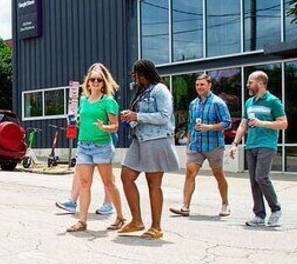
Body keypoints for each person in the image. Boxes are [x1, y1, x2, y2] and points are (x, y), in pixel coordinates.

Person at [116, 59, 179, 239]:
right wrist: (131, 118)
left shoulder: (160, 90)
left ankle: (156, 227)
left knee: (153, 183)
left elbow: (164, 117)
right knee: (126, 176)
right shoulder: (143, 92)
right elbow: (143, 117)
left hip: (157, 139)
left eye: (135, 74)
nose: (134, 78)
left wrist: (138, 115)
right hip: (140, 138)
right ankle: (137, 221)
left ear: (143, 73)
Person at [66, 63, 125, 232]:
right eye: (92, 79)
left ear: (104, 82)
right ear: (88, 82)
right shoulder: (83, 100)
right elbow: (81, 118)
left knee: (108, 182)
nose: (95, 82)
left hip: (101, 146)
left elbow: (115, 126)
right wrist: (75, 121)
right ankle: (82, 221)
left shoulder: (108, 102)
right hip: (84, 146)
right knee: (85, 183)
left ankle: (120, 216)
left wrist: (104, 127)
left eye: (99, 80)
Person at [228, 71, 288, 227]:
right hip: (251, 144)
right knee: (254, 180)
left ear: (260, 83)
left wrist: (262, 123)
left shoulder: (273, 101)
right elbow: (243, 125)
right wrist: (235, 144)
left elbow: (283, 123)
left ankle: (276, 209)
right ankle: (259, 215)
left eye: (250, 82)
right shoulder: (249, 103)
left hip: (267, 144)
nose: (247, 85)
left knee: (261, 177)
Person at [170, 73, 232, 217]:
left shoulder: (218, 103)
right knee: (190, 173)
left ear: (209, 85)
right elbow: (191, 125)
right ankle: (185, 207)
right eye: (197, 85)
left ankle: (225, 203)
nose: (199, 87)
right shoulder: (193, 104)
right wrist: (188, 144)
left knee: (218, 175)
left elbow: (227, 123)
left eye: (202, 84)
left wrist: (209, 127)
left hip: (213, 145)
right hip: (196, 145)